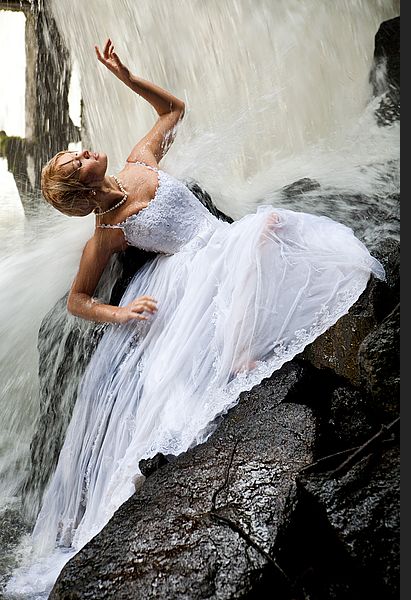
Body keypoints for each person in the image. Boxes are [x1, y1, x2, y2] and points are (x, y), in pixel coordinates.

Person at [36, 40, 385, 553]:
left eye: (79, 150)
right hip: (189, 270)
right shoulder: (106, 231)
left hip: (218, 240)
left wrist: (126, 76)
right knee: (262, 228)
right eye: (77, 161)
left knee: (268, 227)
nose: (86, 150)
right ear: (83, 192)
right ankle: (240, 354)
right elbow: (77, 299)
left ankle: (241, 345)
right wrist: (121, 311)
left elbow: (174, 110)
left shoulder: (139, 162)